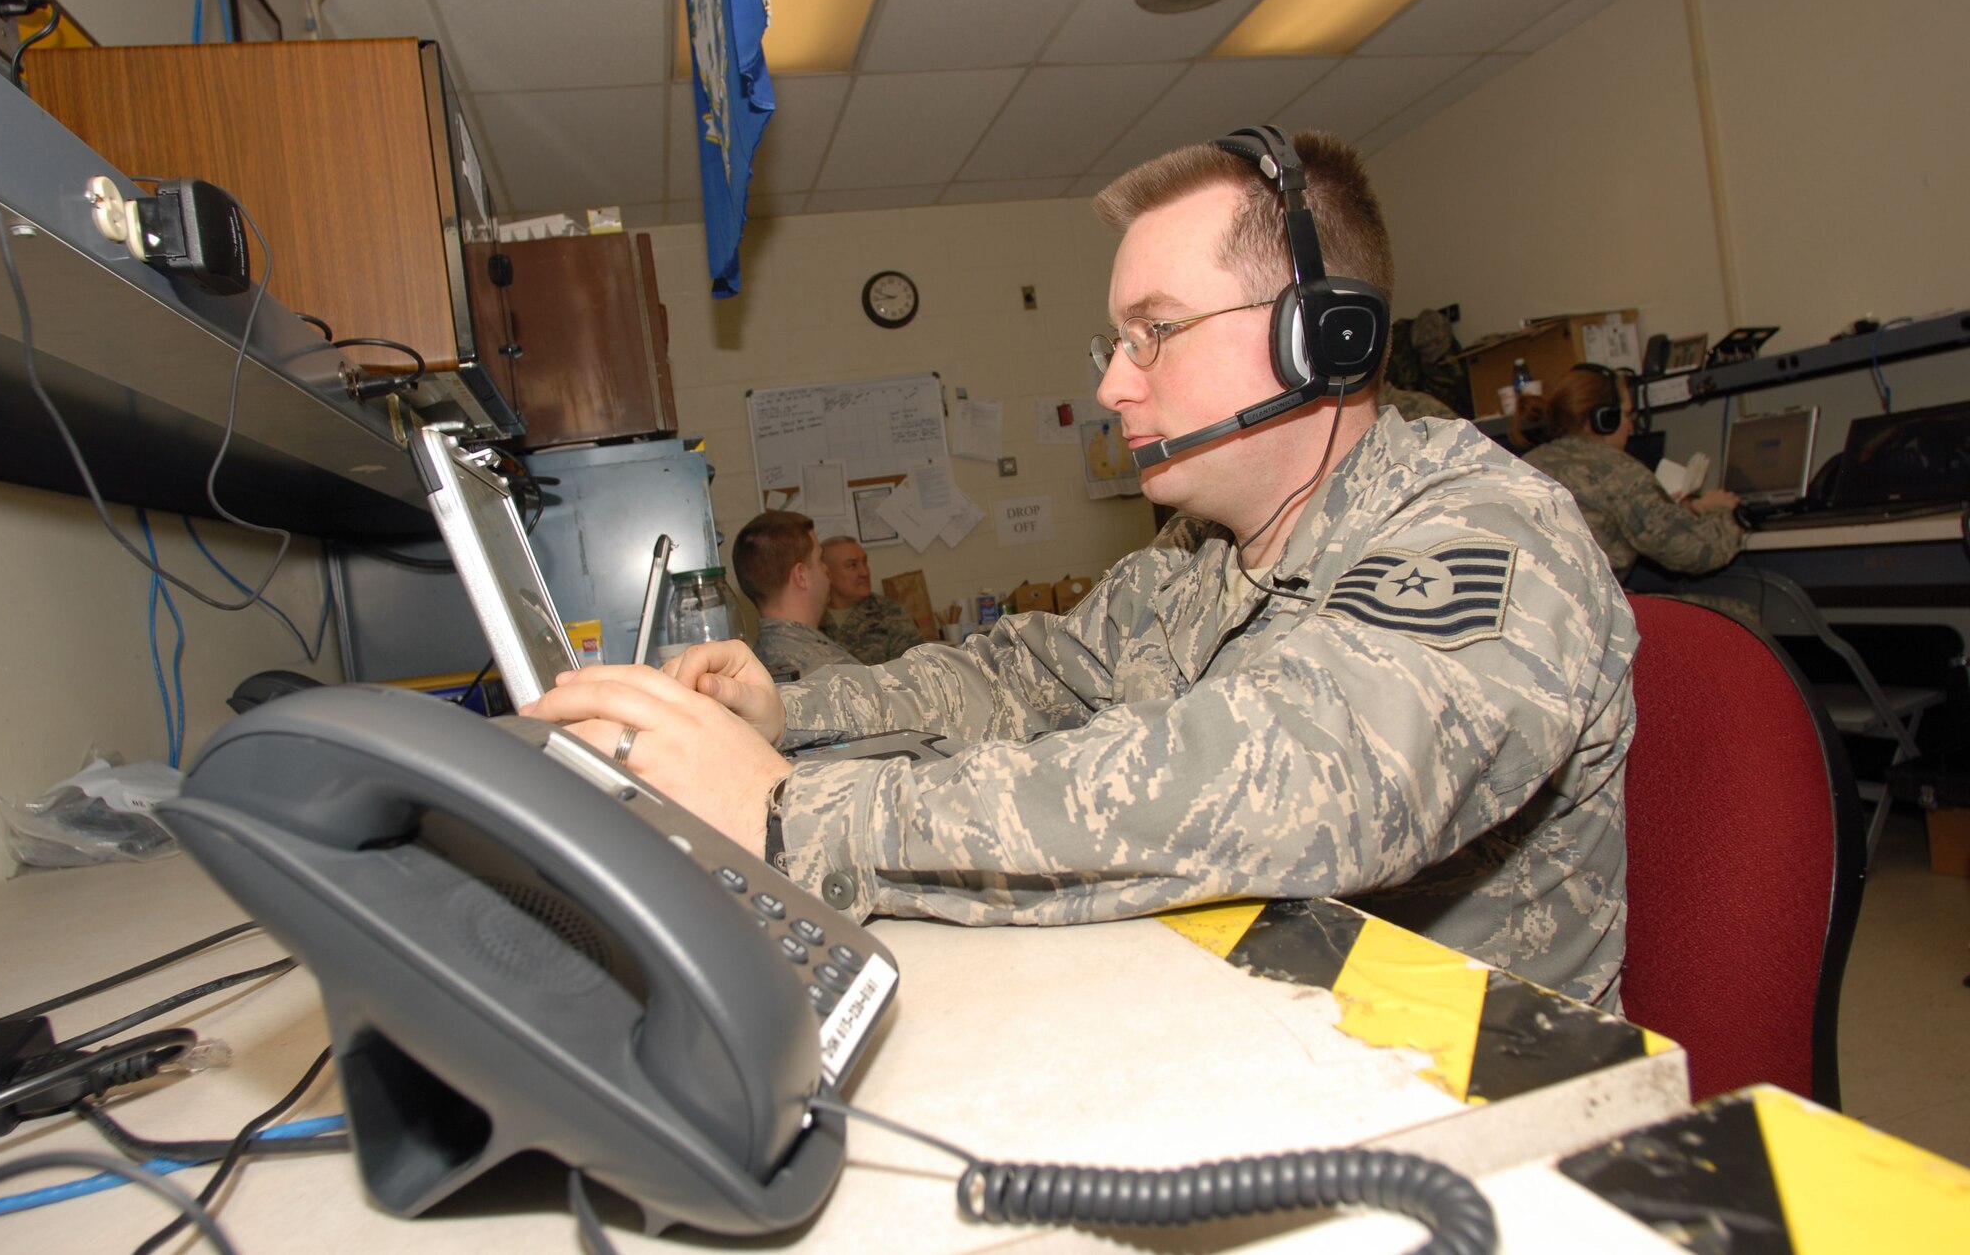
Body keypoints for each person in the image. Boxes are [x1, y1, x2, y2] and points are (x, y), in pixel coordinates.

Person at [523, 127, 1637, 1008]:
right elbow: (1024, 677)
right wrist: (793, 711)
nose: (1114, 385)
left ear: (1321, 337)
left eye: (1153, 331)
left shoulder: (1489, 532)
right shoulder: (1196, 559)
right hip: (1252, 1027)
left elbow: (1296, 780)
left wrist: (797, 816)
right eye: (1114, 343)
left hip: (1465, 1091)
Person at [1518, 365, 1744, 580]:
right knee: (1742, 613)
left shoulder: (1525, 464)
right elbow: (1700, 552)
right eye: (1627, 415)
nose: (1631, 426)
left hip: (1538, 613)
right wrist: (1723, 512)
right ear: (1604, 418)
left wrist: (1690, 509)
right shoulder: (1616, 470)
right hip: (1597, 616)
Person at [728, 511, 861, 680]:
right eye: (820, 559)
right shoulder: (831, 673)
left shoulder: (753, 664)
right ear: (801, 576)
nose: (826, 569)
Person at [818, 535, 924, 664]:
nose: (864, 572)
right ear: (826, 573)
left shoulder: (891, 613)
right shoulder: (811, 618)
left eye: (864, 562)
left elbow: (913, 672)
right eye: (852, 565)